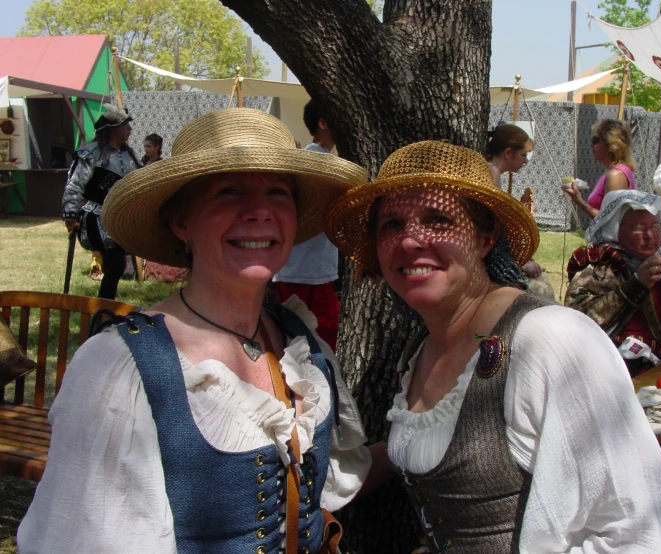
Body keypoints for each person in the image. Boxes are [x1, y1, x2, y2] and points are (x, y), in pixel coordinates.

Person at [19, 108, 386, 553]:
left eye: (277, 192)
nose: (259, 212)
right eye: (228, 192)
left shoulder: (300, 343)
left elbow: (328, 484)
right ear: (181, 221)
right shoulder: (118, 370)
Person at [324, 140, 661, 553]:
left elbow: (642, 535)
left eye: (439, 220)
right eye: (391, 224)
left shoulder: (551, 339)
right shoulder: (419, 349)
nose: (410, 241)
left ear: (485, 238)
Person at [565, 190, 661, 376]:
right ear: (616, 228)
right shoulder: (601, 266)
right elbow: (578, 319)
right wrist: (635, 284)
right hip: (614, 369)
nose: (649, 235)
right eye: (639, 228)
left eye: (654, 226)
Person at [273, 99, 342, 350]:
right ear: (323, 123)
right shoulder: (313, 162)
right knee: (311, 339)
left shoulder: (323, 160)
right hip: (303, 271)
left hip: (313, 269)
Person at [61, 103, 140, 299]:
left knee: (117, 265)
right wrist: (70, 214)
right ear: (113, 129)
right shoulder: (91, 153)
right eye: (125, 125)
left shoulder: (128, 154)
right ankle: (104, 309)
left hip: (118, 216)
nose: (129, 129)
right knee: (116, 264)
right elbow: (75, 184)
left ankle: (105, 307)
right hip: (95, 217)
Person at [485, 124, 554, 299]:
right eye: (523, 155)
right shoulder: (491, 174)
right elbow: (492, 230)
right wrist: (518, 264)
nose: (525, 161)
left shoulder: (491, 171)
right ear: (508, 153)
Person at [564, 118, 636, 219]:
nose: (591, 145)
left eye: (595, 140)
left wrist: (579, 201)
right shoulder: (612, 171)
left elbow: (609, 220)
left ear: (612, 144)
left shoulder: (616, 175)